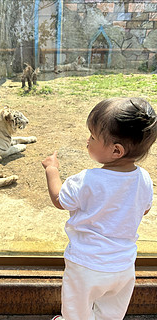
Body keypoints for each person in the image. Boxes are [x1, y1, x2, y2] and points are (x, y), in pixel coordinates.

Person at [42, 97, 157, 320]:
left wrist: (52, 170)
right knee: (111, 314)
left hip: (86, 266)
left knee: (77, 312)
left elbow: (59, 200)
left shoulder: (87, 179)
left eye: (93, 137)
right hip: (123, 267)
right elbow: (144, 209)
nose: (88, 140)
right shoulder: (144, 178)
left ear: (116, 151)